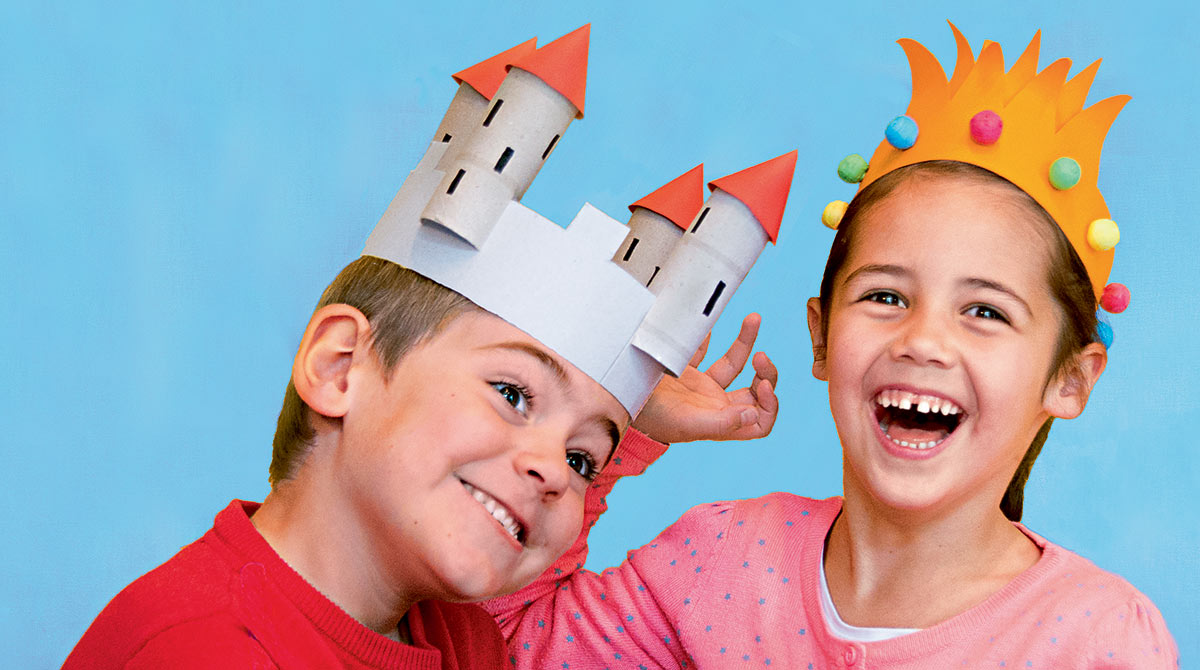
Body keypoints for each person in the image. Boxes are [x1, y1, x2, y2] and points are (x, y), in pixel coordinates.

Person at [486, 25, 1180, 668]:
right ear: (821, 336)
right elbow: (498, 644)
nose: (924, 340)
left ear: (1071, 379)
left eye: (985, 311)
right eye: (886, 297)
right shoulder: (718, 560)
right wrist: (614, 422)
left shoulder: (1100, 637)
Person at [61, 257, 778, 670]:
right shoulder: (202, 651)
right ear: (343, 368)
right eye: (512, 393)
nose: (556, 473)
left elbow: (517, 592)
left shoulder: (458, 637)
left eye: (583, 459)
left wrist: (632, 429)